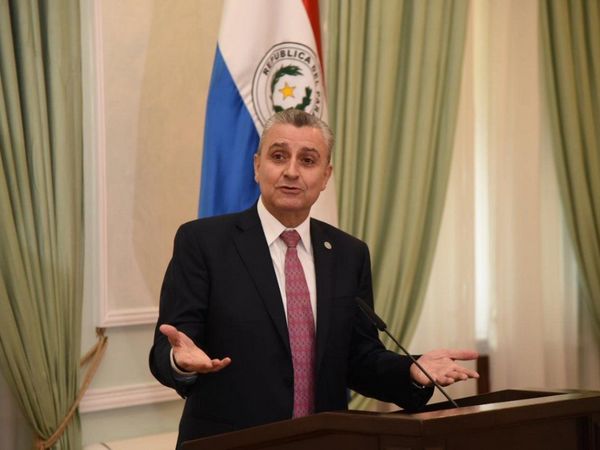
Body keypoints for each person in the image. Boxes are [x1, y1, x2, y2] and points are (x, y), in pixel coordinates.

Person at [149, 109, 479, 448]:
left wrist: (410, 371)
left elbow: (360, 358)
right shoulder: (203, 243)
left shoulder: (348, 254)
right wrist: (179, 362)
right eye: (279, 156)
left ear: (325, 176)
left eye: (308, 160)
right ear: (257, 165)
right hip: (231, 442)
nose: (292, 171)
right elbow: (170, 346)